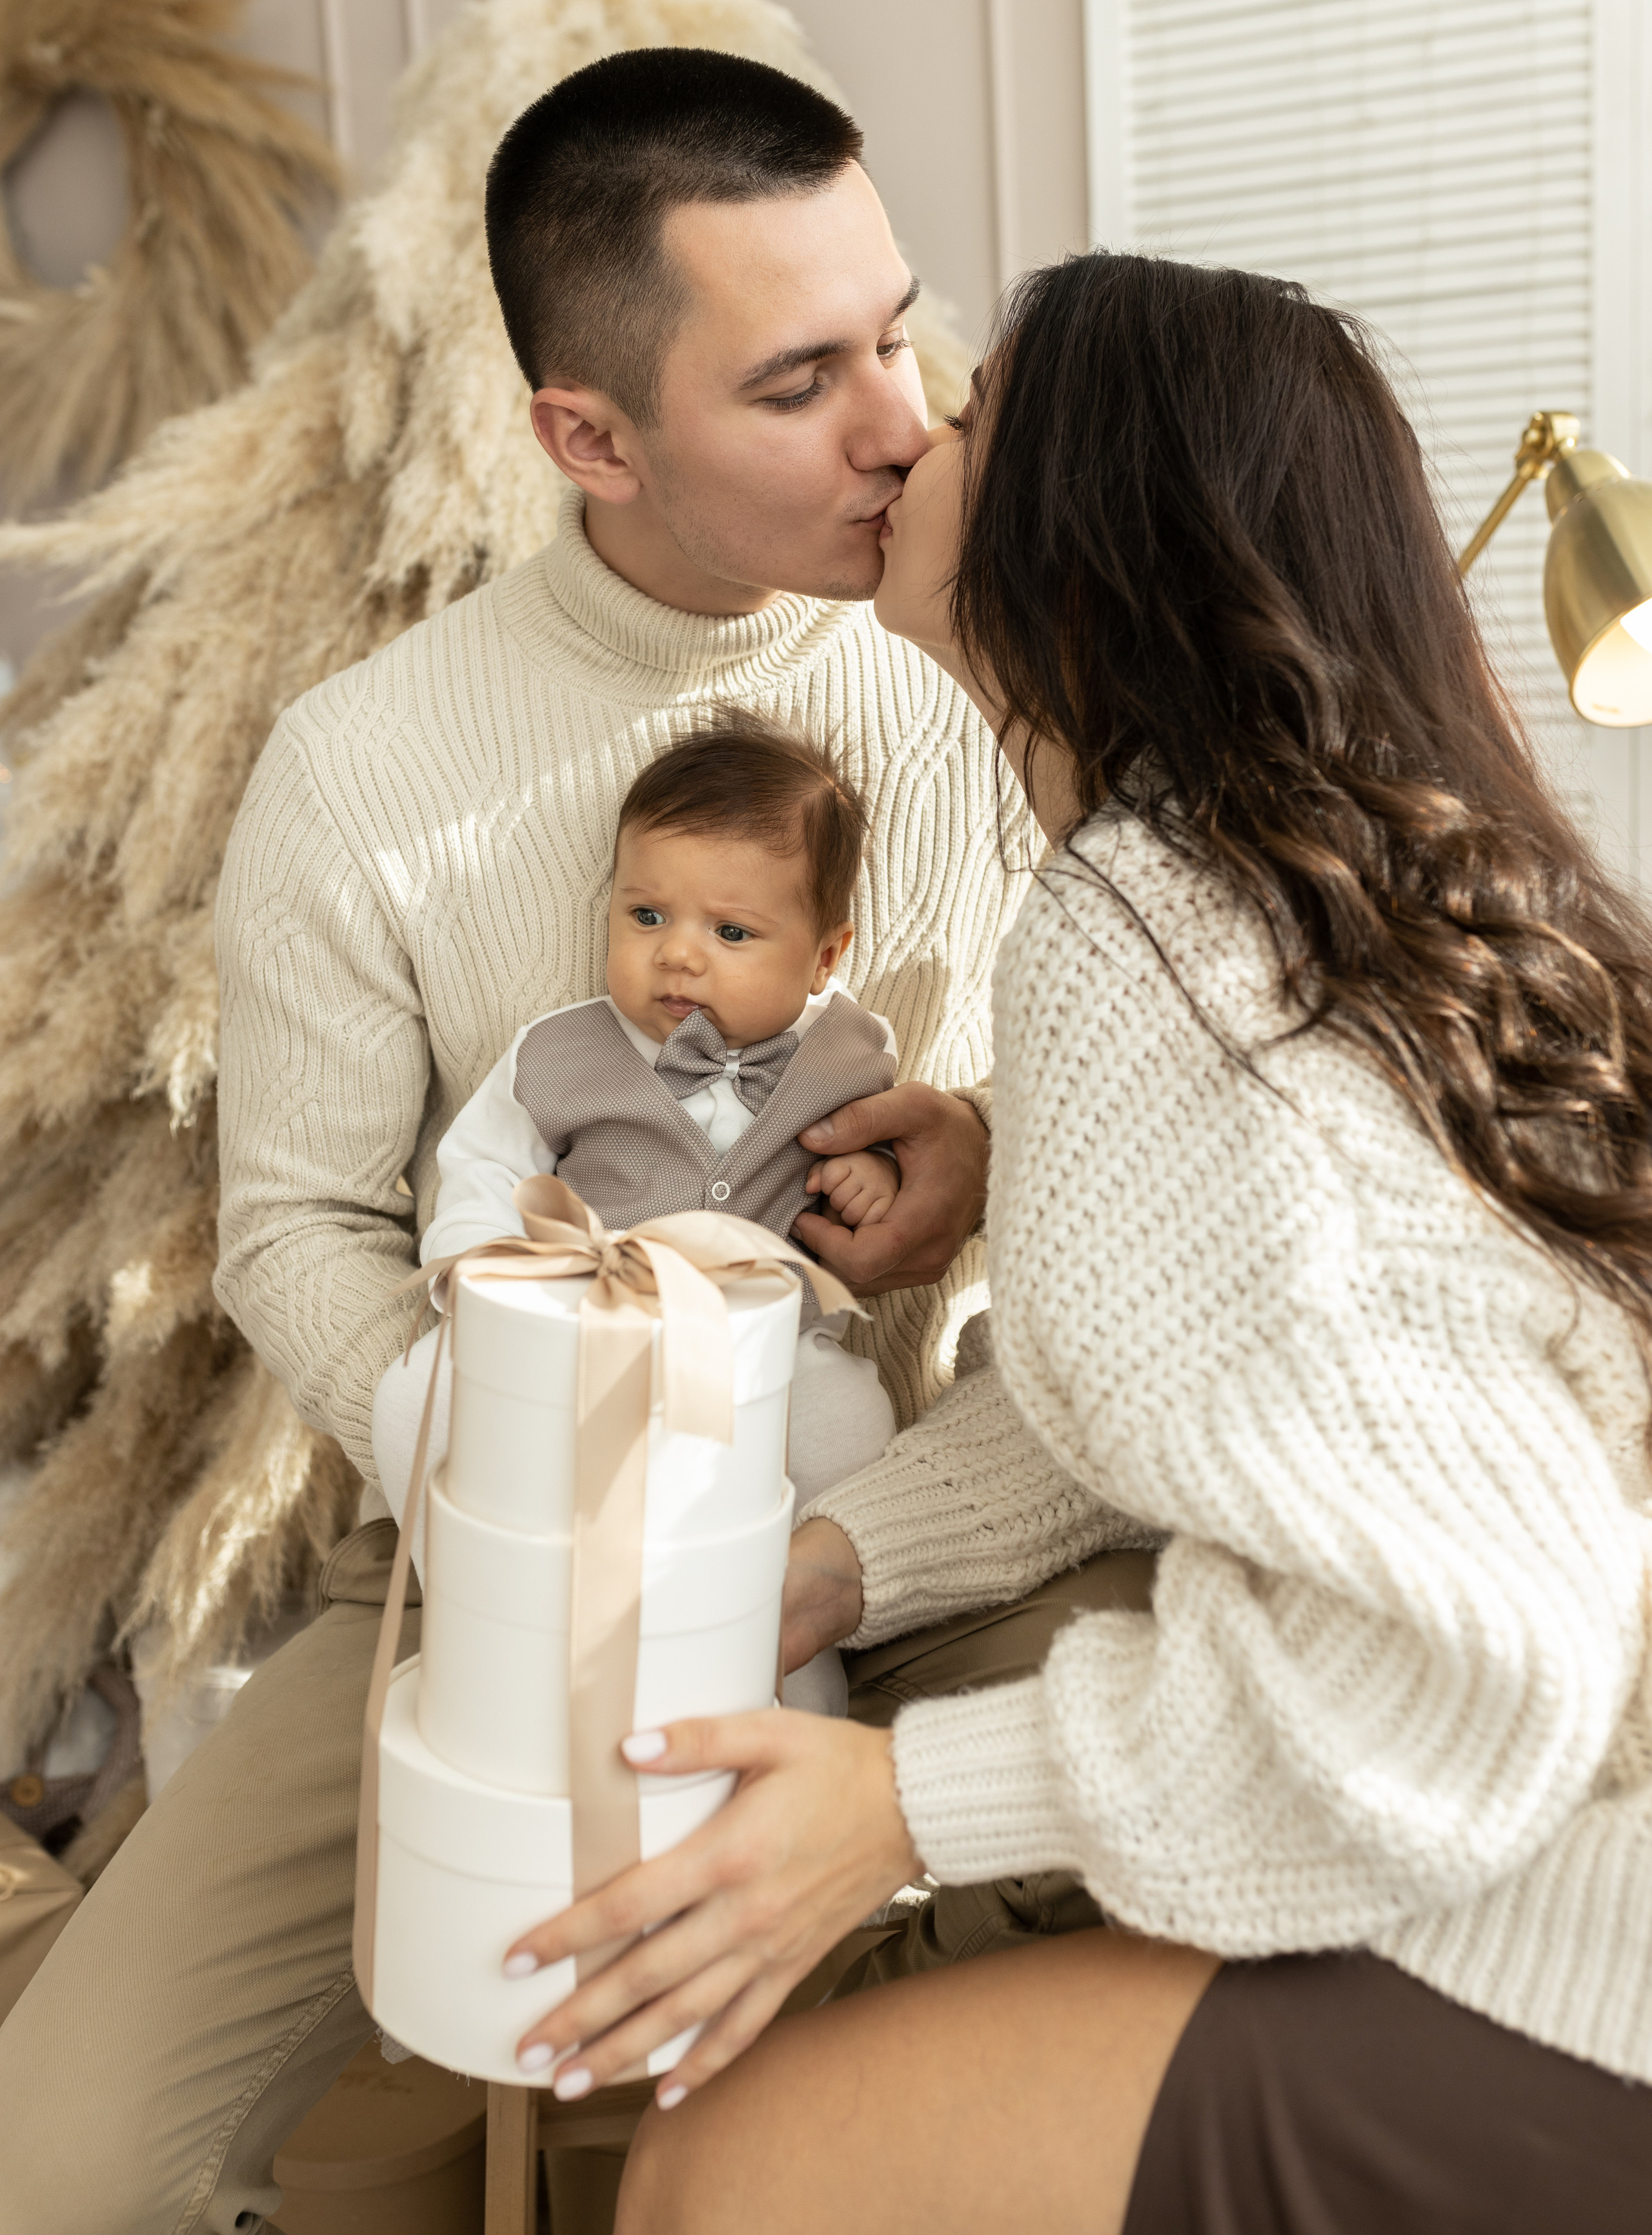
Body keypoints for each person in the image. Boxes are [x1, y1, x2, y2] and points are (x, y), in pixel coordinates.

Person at [0, 52, 1154, 2234]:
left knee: (1231, 1853)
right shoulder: (365, 770)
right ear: (589, 437)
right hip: (493, 1548)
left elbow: (1120, 1109)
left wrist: (982, 1149)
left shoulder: (991, 666)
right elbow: (300, 1234)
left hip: (942, 1512)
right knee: (55, 2166)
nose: (903, 421)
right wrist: (513, 1459)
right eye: (802, 378)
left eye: (900, 330)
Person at [493, 250, 1652, 2235]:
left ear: (1088, 540)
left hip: (1578, 1940)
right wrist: (839, 1566)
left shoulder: (1147, 937)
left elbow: (1471, 1661)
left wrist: (904, 1813)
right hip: (1571, 1847)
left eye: (962, 413)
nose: (900, 435)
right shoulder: (1316, 880)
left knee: (720, 2174)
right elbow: (1205, 1358)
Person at [386, 719, 909, 1713]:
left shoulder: (852, 1054)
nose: (679, 958)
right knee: (414, 1396)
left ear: (826, 954)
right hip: (594, 1327)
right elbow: (485, 1165)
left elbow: (877, 1151)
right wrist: (488, 1280)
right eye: (645, 916)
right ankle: (480, 1605)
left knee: (851, 1426)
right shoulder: (561, 1050)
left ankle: (799, 1645)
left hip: (767, 1340)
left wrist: (871, 1177)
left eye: (733, 933)